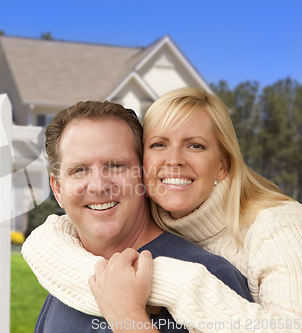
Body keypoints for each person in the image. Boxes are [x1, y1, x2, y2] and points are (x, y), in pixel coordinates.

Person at [22, 88, 302, 332]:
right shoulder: (67, 270)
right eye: (78, 170)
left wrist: (133, 312)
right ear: (57, 189)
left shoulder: (255, 244)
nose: (98, 185)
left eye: (116, 165)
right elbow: (45, 242)